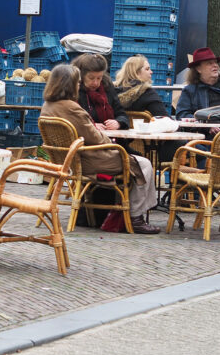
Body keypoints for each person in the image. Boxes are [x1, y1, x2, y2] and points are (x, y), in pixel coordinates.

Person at [40, 64, 160, 234]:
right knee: (144, 164)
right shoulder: (72, 108)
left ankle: (130, 215)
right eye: (77, 82)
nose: (79, 85)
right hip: (88, 161)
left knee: (138, 161)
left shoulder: (48, 106)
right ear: (70, 84)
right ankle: (135, 217)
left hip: (67, 159)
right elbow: (95, 138)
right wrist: (108, 137)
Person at [72, 53, 129, 130]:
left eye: (99, 78)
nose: (95, 83)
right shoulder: (74, 91)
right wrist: (91, 125)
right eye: (91, 78)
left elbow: (121, 113)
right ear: (81, 77)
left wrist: (118, 122)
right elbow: (72, 119)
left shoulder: (107, 88)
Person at [113, 54, 168, 118]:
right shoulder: (148, 94)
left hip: (118, 127)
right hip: (143, 127)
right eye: (147, 69)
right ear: (136, 73)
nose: (151, 72)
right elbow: (163, 118)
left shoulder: (112, 92)